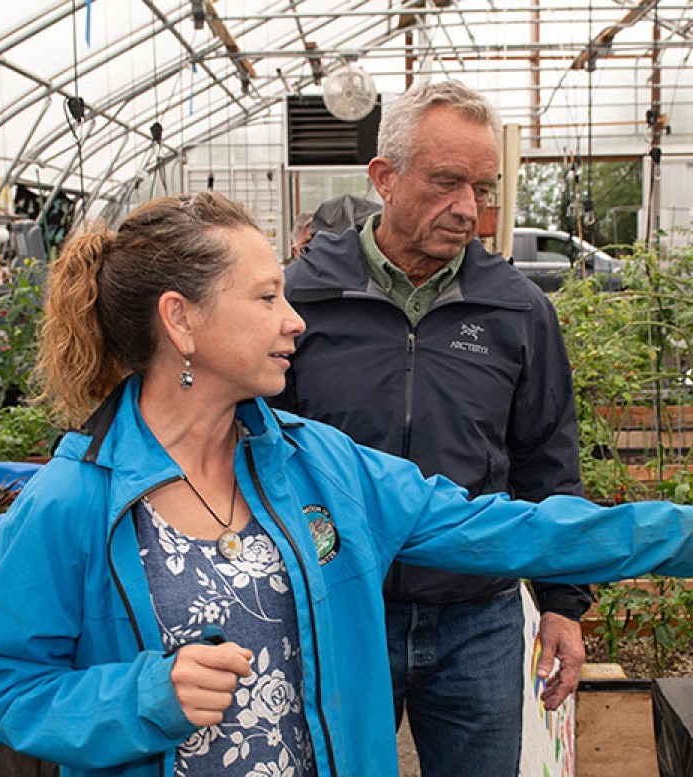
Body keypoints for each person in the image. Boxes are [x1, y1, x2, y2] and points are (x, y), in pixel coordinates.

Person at [0, 191, 693, 777]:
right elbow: (9, 683)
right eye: (266, 296)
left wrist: (685, 535)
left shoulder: (322, 466)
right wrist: (145, 692)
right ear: (180, 318)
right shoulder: (74, 500)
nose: (294, 318)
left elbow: (507, 528)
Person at [274, 80, 583, 777]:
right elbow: (258, 452)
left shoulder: (517, 310)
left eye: (483, 187)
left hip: (478, 617)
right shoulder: (302, 298)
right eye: (447, 182)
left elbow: (548, 462)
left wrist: (563, 604)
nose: (469, 208)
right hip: (339, 609)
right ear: (385, 177)